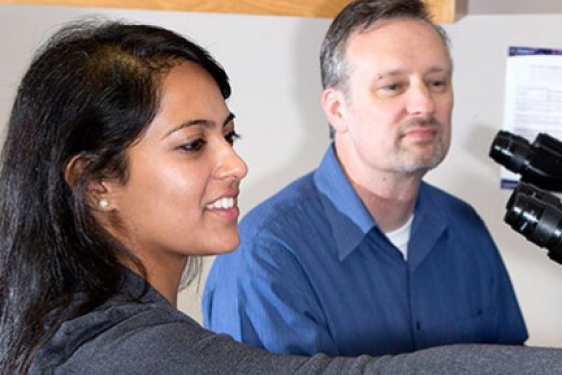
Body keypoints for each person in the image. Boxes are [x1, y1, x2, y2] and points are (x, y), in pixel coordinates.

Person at [1, 16, 561, 375]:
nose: (236, 164)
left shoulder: (463, 228)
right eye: (194, 144)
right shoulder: (123, 350)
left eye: (229, 134)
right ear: (97, 183)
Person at [203, 0, 528, 357]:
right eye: (392, 86)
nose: (424, 104)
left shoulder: (465, 229)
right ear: (337, 109)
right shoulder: (264, 256)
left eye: (437, 82)